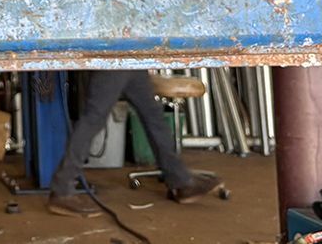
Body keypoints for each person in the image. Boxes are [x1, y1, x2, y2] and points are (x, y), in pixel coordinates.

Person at [49, 70, 223, 215]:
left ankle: (180, 181)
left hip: (129, 55)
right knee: (94, 118)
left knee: (153, 115)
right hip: (115, 53)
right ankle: (62, 188)